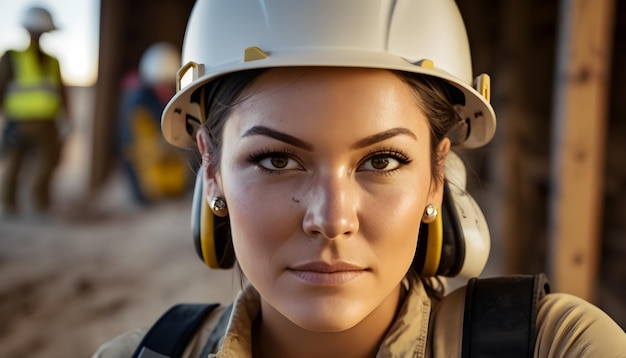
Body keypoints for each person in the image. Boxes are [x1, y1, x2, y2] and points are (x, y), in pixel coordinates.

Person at [94, 1, 626, 357]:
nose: (332, 220)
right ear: (211, 170)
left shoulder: (558, 343)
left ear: (437, 176)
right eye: (277, 160)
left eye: (382, 160)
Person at [0, 5, 70, 216]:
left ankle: (39, 205)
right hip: (19, 123)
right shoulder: (11, 57)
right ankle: (7, 205)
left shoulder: (53, 61)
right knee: (13, 165)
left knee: (46, 166)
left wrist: (68, 119)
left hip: (47, 124)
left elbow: (61, 92)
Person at [117, 42, 190, 206]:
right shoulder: (137, 101)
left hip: (162, 152)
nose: (165, 89)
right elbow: (133, 141)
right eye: (161, 83)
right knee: (132, 156)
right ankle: (140, 198)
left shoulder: (168, 98)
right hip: (142, 151)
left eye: (168, 84)